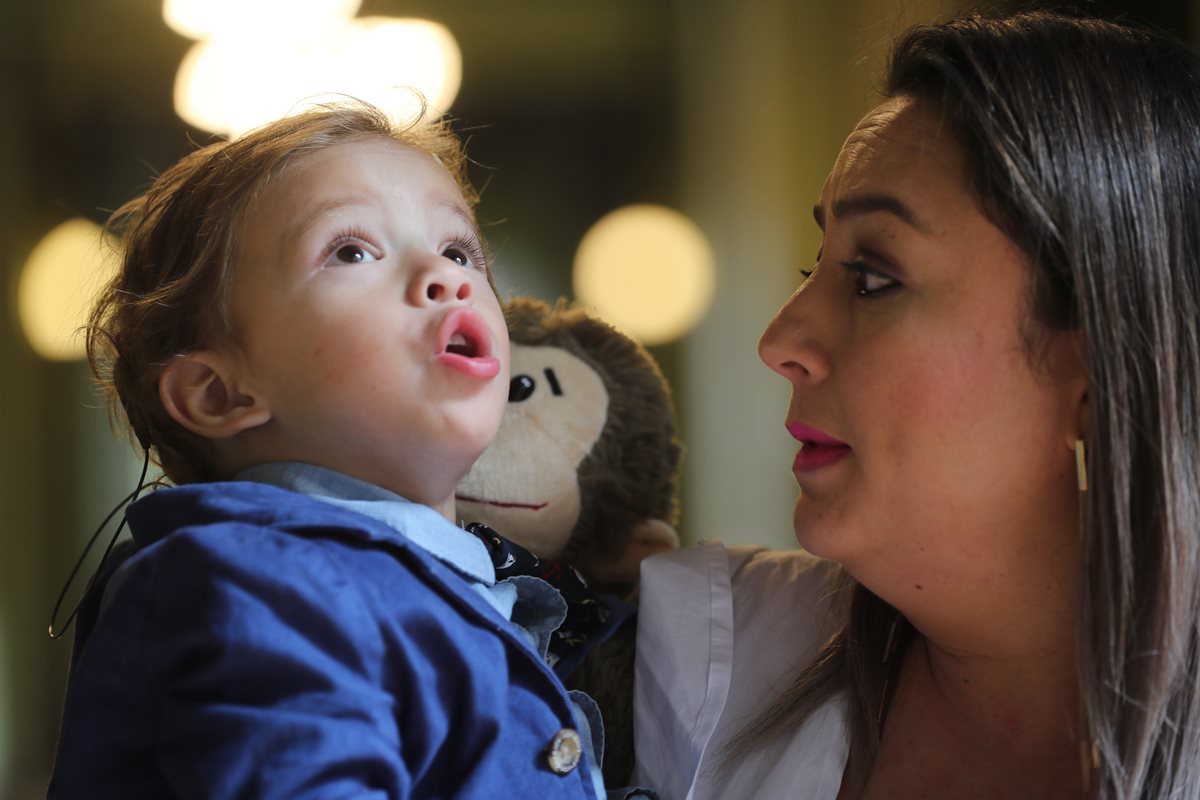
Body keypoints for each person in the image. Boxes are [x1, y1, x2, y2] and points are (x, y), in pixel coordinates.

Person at [634, 9, 1200, 800]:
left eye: (873, 277)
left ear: (1099, 370)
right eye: (814, 263)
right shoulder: (709, 658)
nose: (781, 337)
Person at [50, 101, 635, 799]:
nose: (446, 277)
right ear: (218, 394)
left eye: (458, 250)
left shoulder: (438, 581)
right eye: (352, 251)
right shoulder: (256, 581)